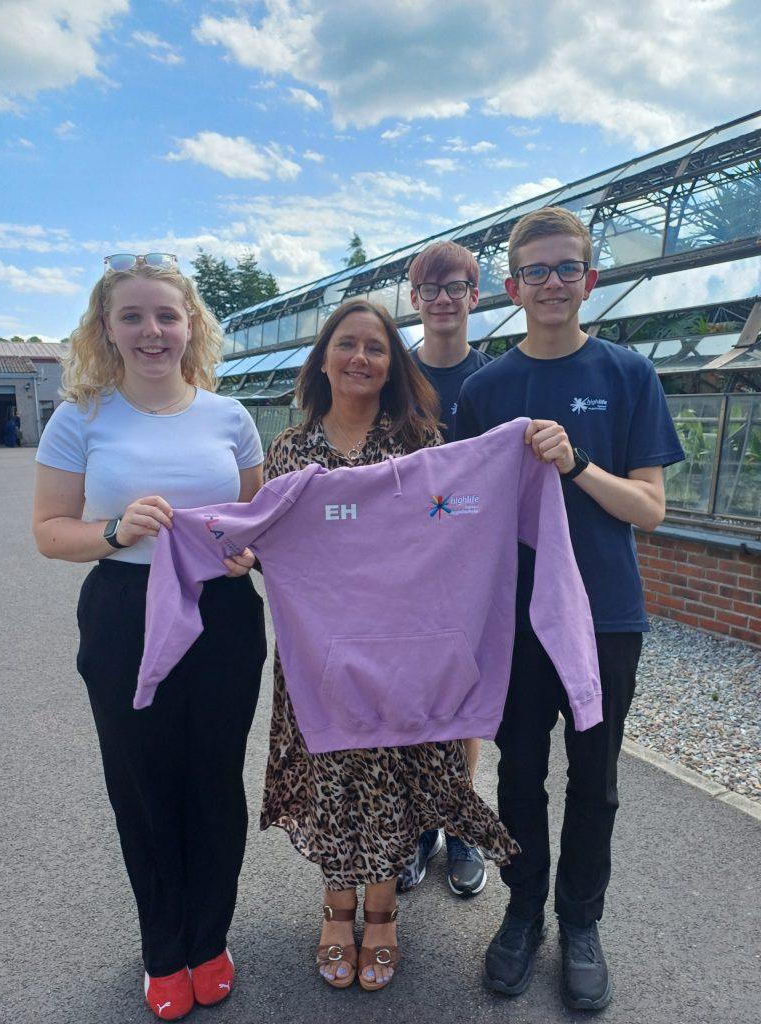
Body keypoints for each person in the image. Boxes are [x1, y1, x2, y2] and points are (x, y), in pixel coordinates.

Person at [456, 207, 684, 1011]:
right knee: (520, 773)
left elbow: (649, 508)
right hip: (514, 620)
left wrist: (577, 462)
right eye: (536, 272)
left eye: (567, 269)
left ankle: (580, 922)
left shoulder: (629, 376)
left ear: (590, 280)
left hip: (604, 616)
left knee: (596, 779)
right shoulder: (486, 390)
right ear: (512, 288)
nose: (552, 284)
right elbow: (457, 513)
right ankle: (522, 912)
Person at [257, 298, 519, 992]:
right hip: (320, 655)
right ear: (323, 359)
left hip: (401, 653)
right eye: (347, 345)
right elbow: (268, 542)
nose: (361, 359)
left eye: (376, 348)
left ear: (392, 364)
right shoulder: (288, 450)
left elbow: (451, 525)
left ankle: (381, 916)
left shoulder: (421, 444)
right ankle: (334, 912)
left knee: (391, 780)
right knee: (334, 781)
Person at [32, 253, 267, 1022]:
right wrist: (112, 528)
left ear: (190, 324)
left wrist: (247, 554)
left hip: (221, 613)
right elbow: (49, 533)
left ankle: (210, 939)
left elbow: (261, 527)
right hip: (124, 610)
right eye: (132, 316)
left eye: (166, 315)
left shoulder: (229, 418)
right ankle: (163, 948)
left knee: (213, 781)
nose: (152, 330)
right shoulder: (82, 417)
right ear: (106, 328)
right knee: (143, 783)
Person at [399, 240, 493, 898]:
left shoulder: (495, 381)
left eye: (454, 287)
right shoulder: (391, 379)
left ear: (474, 297)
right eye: (430, 289)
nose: (441, 300)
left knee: (460, 708)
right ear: (414, 300)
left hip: (470, 572)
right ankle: (417, 829)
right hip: (403, 572)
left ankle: (460, 827)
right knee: (408, 705)